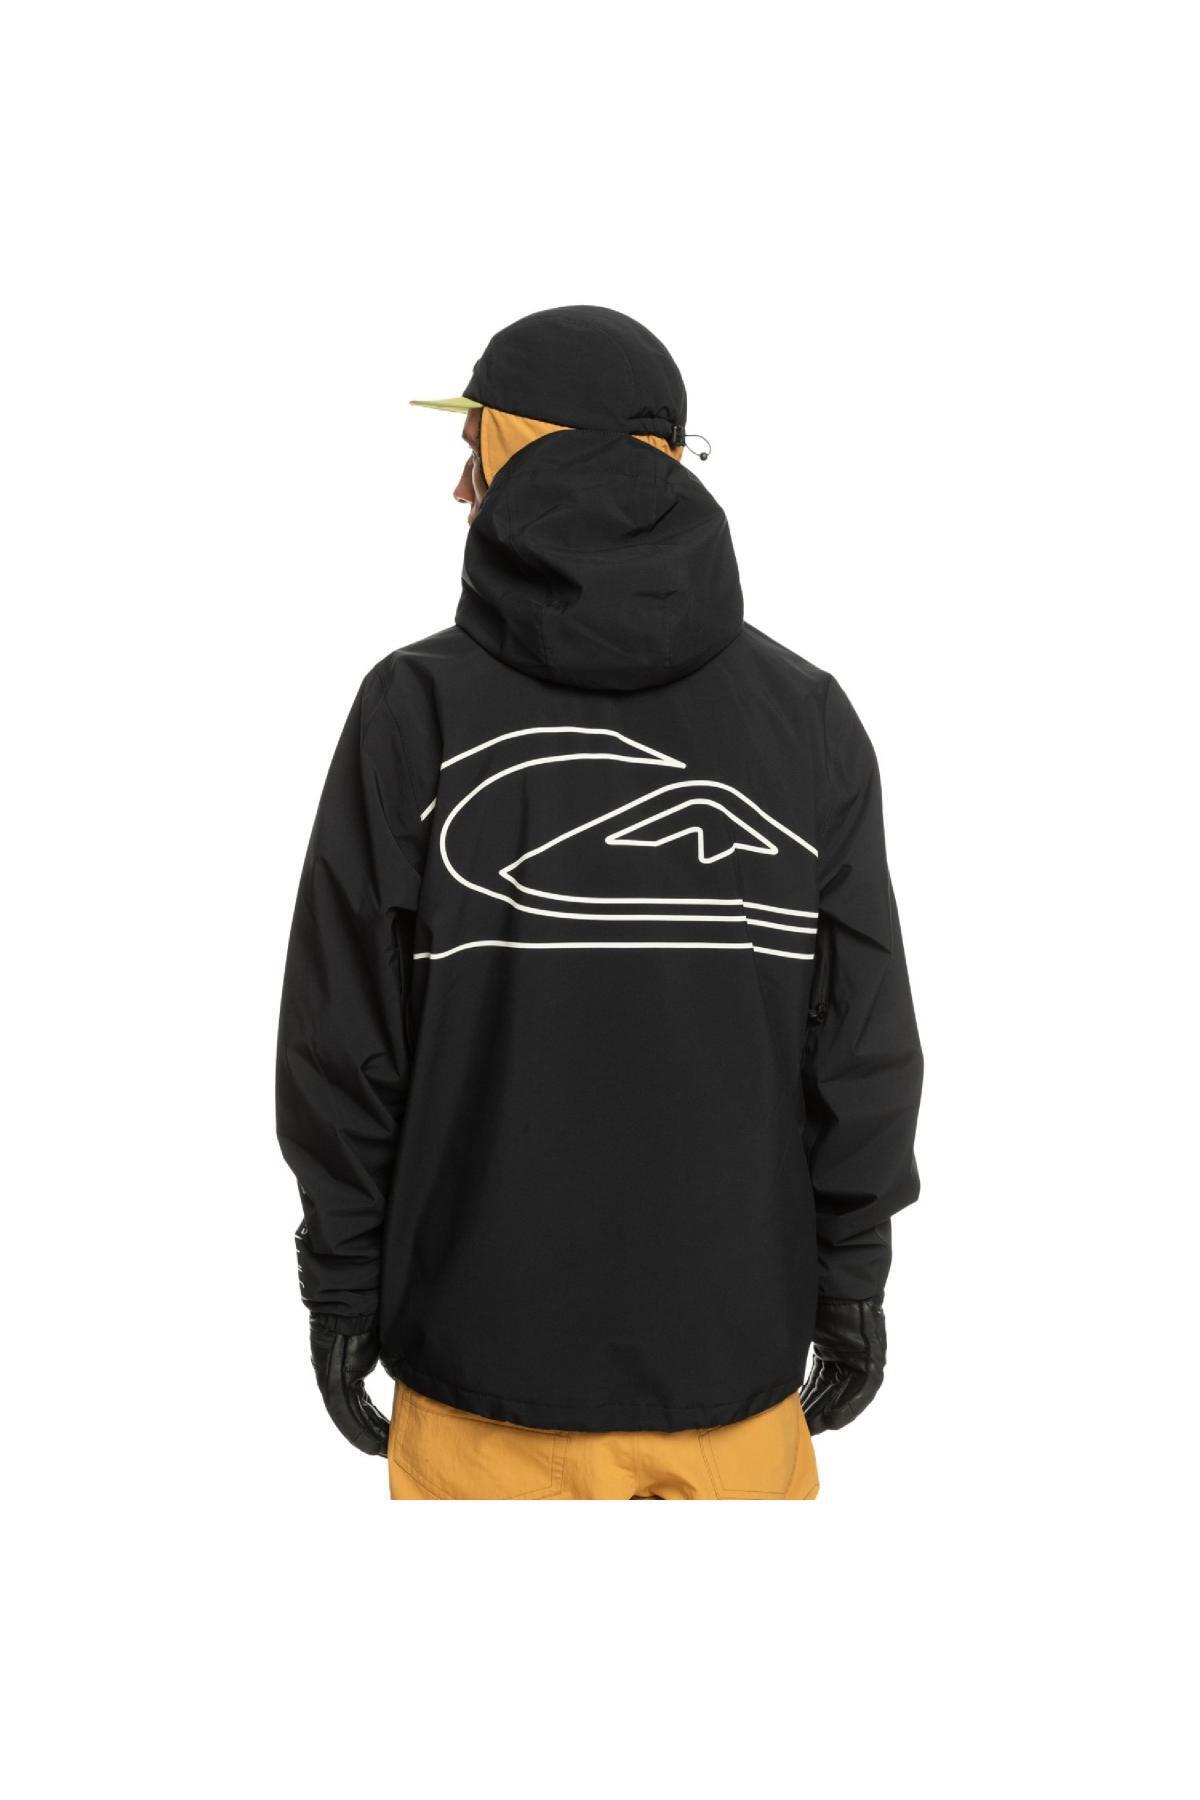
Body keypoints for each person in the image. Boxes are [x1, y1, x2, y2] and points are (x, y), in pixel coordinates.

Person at [275, 305, 923, 1500]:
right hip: (732, 1367)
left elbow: (343, 1032)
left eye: (471, 443)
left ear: (520, 446)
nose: (458, 486)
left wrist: (342, 1279)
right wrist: (853, 1274)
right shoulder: (806, 718)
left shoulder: (415, 709)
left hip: (481, 1378)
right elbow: (861, 1037)